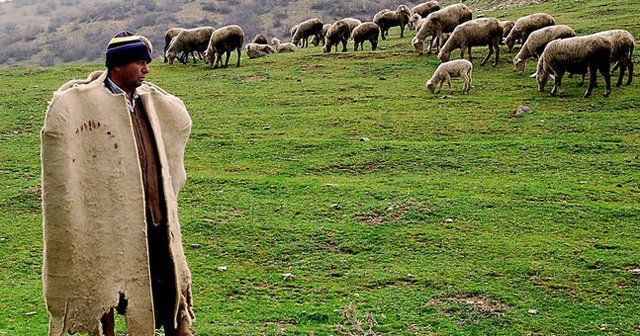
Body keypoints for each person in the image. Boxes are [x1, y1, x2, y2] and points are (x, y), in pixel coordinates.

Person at [41, 31, 195, 336]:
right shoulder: (88, 104)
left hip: (154, 217)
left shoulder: (149, 102)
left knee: (165, 279)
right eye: (140, 62)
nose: (146, 69)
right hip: (110, 222)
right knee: (106, 288)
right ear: (119, 66)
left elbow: (176, 128)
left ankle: (177, 328)